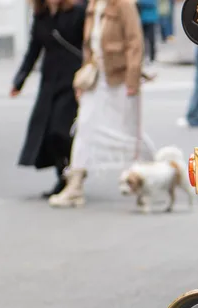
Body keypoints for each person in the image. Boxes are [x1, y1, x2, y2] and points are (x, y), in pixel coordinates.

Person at [49, 0, 155, 208]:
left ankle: (149, 176)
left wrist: (132, 80)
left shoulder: (124, 5)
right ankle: (75, 185)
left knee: (130, 133)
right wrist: (82, 78)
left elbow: (135, 42)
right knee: (85, 127)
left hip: (120, 78)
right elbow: (88, 47)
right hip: (97, 78)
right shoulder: (93, 5)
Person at [11, 0, 86, 198]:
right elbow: (33, 50)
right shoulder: (41, 17)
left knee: (59, 131)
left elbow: (89, 44)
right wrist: (19, 80)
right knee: (45, 133)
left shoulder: (77, 13)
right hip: (50, 82)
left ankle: (75, 169)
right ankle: (64, 177)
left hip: (72, 80)